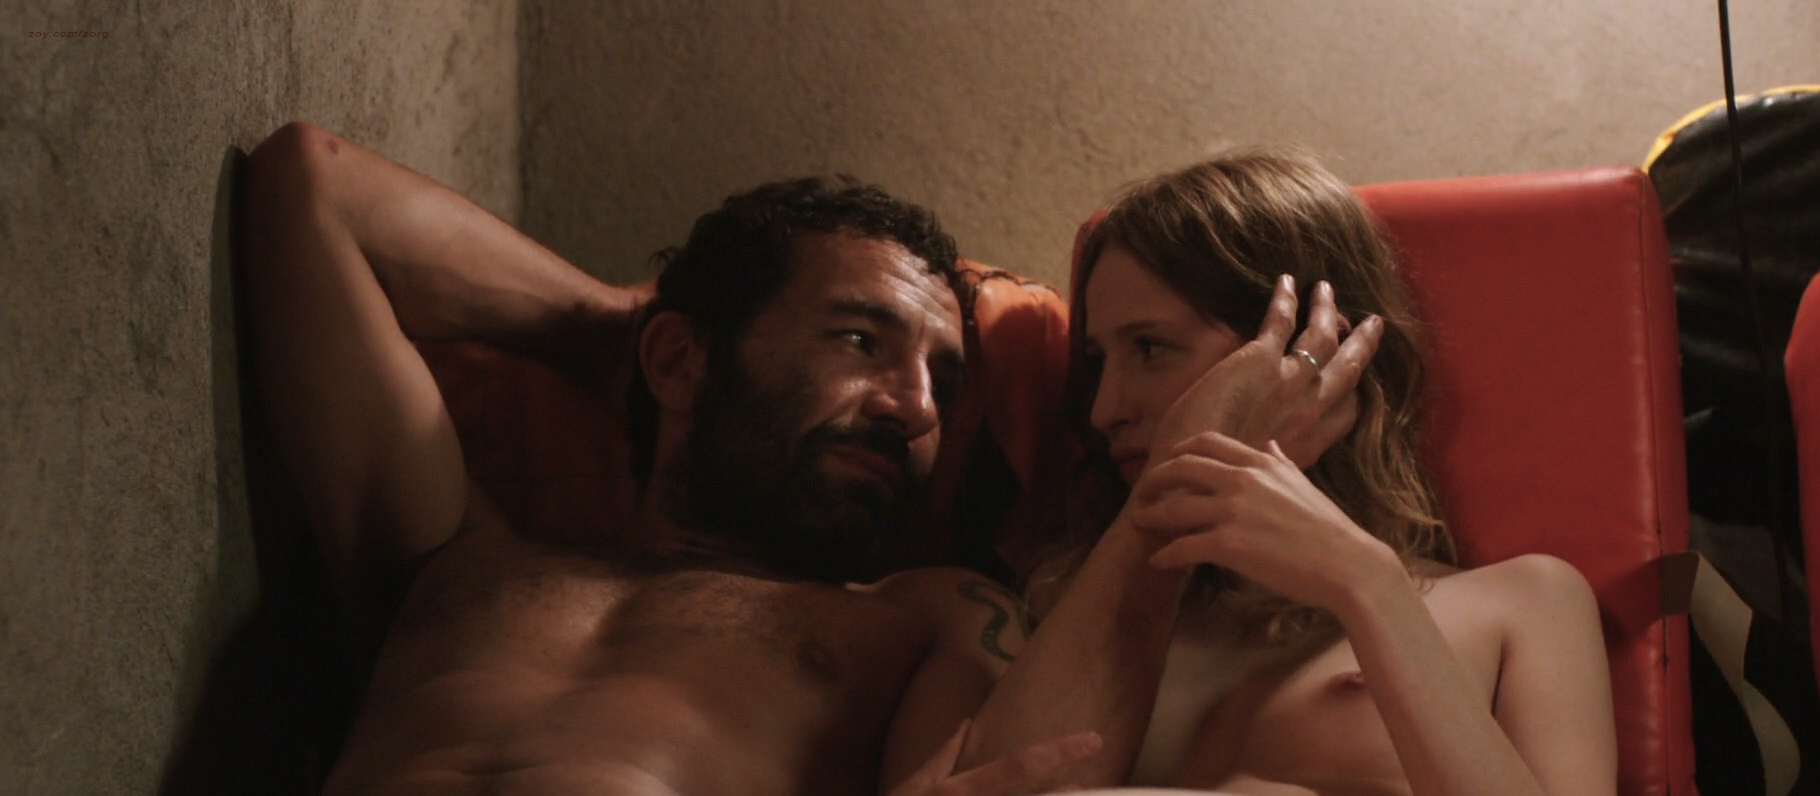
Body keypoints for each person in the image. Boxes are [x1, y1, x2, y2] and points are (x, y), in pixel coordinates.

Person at [238, 121, 1215, 796]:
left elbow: (1038, 770)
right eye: (860, 340)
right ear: (678, 360)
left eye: (945, 384)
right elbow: (313, 185)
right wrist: (611, 330)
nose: (918, 410)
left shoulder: (925, 619)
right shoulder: (454, 546)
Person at [959, 152, 1618, 795]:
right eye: (1097, 362)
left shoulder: (1519, 602)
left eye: (1151, 348)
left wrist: (1366, 582)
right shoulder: (1075, 602)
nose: (1105, 410)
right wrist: (1161, 508)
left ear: (1313, 345)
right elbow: (995, 789)